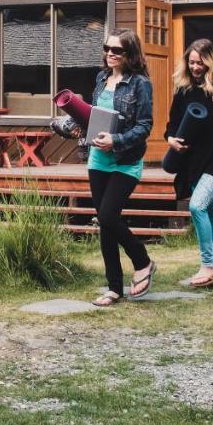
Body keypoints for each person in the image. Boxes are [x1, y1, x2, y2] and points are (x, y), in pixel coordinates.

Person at [64, 29, 157, 307]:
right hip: (97, 159)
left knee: (107, 216)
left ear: (130, 54)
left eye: (117, 50)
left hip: (125, 161)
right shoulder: (101, 78)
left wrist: (116, 140)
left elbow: (144, 126)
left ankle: (143, 261)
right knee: (106, 224)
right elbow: (97, 114)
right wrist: (80, 123)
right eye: (108, 48)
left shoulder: (140, 84)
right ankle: (114, 288)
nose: (110, 54)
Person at [164, 39, 213, 288]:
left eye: (200, 62)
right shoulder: (184, 90)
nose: (196, 67)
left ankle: (207, 265)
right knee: (206, 212)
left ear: (210, 61)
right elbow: (171, 125)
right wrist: (171, 140)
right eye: (192, 62)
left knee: (197, 206)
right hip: (195, 162)